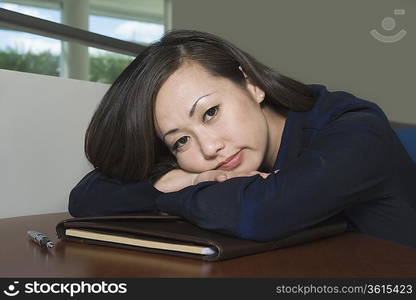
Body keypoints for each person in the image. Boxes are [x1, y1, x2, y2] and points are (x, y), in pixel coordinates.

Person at [69, 30, 416, 247]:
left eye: (210, 112)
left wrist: (176, 191)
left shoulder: (356, 128)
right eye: (180, 141)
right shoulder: (200, 166)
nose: (209, 149)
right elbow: (87, 197)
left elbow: (260, 212)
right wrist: (188, 179)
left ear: (251, 83)